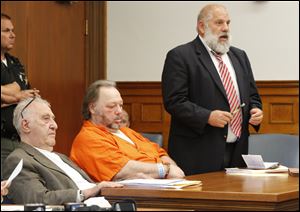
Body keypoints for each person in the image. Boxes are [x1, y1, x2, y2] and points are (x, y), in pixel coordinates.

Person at [161, 4, 263, 175]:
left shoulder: (240, 56)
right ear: (202, 27)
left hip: (237, 151)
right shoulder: (180, 56)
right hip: (198, 152)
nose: (226, 28)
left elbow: (252, 95)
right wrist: (207, 116)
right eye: (219, 23)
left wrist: (256, 109)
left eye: (228, 23)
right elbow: (174, 102)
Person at [2, 97, 122, 204]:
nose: (55, 125)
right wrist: (86, 192)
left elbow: (87, 186)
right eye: (46, 118)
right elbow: (37, 199)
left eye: (53, 119)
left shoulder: (61, 157)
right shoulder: (19, 159)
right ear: (26, 126)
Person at [70, 80, 185, 181]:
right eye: (112, 106)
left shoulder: (127, 132)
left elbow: (161, 154)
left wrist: (169, 170)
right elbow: (122, 170)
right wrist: (165, 170)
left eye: (120, 105)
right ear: (92, 108)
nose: (119, 111)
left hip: (162, 187)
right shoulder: (89, 138)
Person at [1, 13, 39, 178]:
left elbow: (27, 94)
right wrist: (16, 97)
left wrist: (9, 94)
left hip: (20, 138)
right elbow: (20, 93)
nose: (13, 35)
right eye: (6, 30)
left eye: (13, 30)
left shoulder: (15, 63)